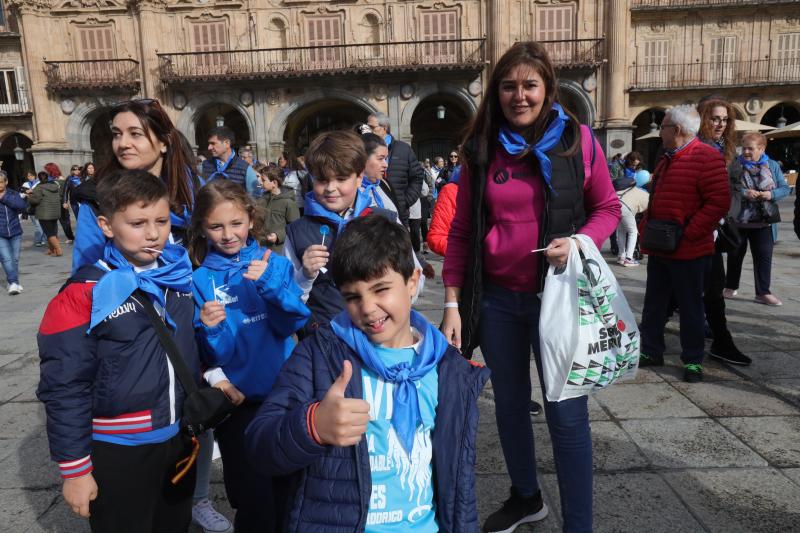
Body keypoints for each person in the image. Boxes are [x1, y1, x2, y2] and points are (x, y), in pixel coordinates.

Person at [441, 41, 621, 533]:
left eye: (529, 85)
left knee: (567, 418)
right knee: (511, 406)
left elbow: (608, 208)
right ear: (496, 91)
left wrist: (581, 241)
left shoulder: (578, 140)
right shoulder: (481, 148)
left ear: (547, 88)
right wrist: (453, 303)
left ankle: (578, 524)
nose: (518, 95)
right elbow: (461, 232)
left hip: (559, 301)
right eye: (508, 86)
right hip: (499, 300)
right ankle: (526, 497)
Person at [245, 214, 490, 531]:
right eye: (352, 296)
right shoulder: (319, 356)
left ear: (413, 281)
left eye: (381, 289)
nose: (368, 307)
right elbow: (259, 446)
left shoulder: (449, 369)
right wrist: (313, 425)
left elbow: (459, 484)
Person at [37, 169, 201, 532]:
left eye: (161, 220)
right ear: (106, 225)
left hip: (177, 436)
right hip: (118, 448)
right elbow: (64, 385)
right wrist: (75, 469)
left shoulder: (179, 276)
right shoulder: (83, 293)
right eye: (137, 222)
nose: (154, 233)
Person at [188, 179, 309, 533]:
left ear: (251, 220)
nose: (228, 234)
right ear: (202, 228)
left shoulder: (274, 263)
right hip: (238, 406)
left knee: (293, 487)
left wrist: (270, 285)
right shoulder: (200, 279)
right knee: (251, 497)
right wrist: (210, 329)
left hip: (286, 396)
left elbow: (291, 323)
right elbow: (218, 354)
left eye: (236, 223)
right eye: (216, 226)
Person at [284, 130, 423, 338]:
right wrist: (304, 276)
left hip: (380, 337)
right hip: (324, 340)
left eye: (341, 179)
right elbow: (287, 300)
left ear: (359, 177)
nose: (331, 188)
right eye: (322, 180)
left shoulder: (385, 220)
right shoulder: (297, 233)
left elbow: (414, 278)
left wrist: (389, 314)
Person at [638, 104, 731, 383]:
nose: (660, 132)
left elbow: (719, 202)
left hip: (690, 250)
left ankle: (692, 360)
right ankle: (651, 350)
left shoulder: (706, 157)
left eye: (663, 127)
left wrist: (690, 233)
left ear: (676, 130)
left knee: (691, 307)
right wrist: (646, 226)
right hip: (660, 246)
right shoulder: (665, 157)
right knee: (653, 304)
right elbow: (656, 197)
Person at [72, 99, 202, 271]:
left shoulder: (191, 186)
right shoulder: (97, 196)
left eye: (135, 134)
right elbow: (86, 268)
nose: (123, 144)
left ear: (164, 142)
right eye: (117, 134)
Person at [695, 97, 751, 366]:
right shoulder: (694, 146)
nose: (720, 124)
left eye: (725, 119)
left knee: (705, 285)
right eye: (715, 118)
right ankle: (721, 341)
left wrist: (728, 213)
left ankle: (652, 334)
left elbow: (736, 185)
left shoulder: (729, 149)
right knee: (710, 285)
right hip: (700, 227)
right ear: (704, 119)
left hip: (719, 226)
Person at [724, 132, 789, 306]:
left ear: (762, 148)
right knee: (735, 255)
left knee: (763, 257)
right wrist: (745, 193)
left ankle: (762, 292)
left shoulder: (773, 166)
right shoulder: (735, 165)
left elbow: (785, 188)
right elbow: (728, 188)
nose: (745, 151)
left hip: (764, 220)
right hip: (739, 220)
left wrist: (770, 194)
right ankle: (730, 286)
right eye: (744, 147)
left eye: (750, 148)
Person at [366, 113, 425, 225]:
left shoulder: (403, 149)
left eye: (372, 127)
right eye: (367, 127)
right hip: (371, 213)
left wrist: (404, 201)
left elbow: (417, 177)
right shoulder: (363, 148)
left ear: (384, 128)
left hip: (399, 214)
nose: (369, 131)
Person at [200, 126, 259, 198]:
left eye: (213, 143)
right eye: (209, 144)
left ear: (227, 143)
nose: (209, 147)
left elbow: (256, 197)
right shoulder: (203, 166)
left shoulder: (245, 169)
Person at [255, 163, 300, 253]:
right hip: (261, 248)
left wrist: (278, 235)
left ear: (274, 183)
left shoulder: (288, 203)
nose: (260, 182)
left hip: (279, 250)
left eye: (263, 180)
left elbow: (295, 228)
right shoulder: (262, 200)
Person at [614, 167, 649, 267]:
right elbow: (647, 212)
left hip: (615, 203)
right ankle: (629, 259)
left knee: (621, 231)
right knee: (633, 232)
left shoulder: (631, 188)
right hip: (626, 208)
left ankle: (621, 257)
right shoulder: (646, 195)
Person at [0, 170, 27, 294]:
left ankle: (14, 281)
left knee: (15, 259)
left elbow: (21, 206)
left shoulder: (13, 194)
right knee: (6, 258)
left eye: (1, 182)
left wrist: (4, 197)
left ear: (6, 182)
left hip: (15, 231)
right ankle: (13, 283)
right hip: (1, 233)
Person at [358, 131, 399, 213]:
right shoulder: (352, 194)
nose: (386, 165)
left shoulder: (382, 184)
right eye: (380, 158)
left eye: (385, 159)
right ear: (363, 158)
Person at [27, 170, 63, 257]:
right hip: (55, 212)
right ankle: (51, 249)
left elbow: (36, 200)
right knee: (52, 231)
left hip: (44, 213)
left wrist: (29, 196)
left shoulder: (39, 187)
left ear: (39, 178)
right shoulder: (54, 186)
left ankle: (58, 250)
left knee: (49, 233)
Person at [45, 163, 75, 243]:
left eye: (47, 170)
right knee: (65, 221)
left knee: (59, 222)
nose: (46, 171)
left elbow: (64, 191)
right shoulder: (62, 178)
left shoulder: (52, 180)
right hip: (60, 202)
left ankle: (66, 238)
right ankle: (70, 237)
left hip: (58, 203)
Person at [20, 170, 45, 247]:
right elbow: (21, 195)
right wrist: (26, 193)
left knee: (39, 224)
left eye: (31, 175)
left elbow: (42, 193)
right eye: (28, 176)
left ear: (35, 176)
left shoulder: (39, 183)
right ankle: (42, 239)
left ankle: (39, 240)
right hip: (30, 207)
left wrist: (31, 191)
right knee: (36, 224)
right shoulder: (25, 184)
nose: (30, 177)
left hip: (39, 206)